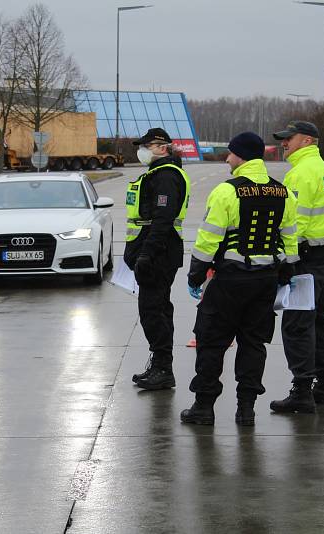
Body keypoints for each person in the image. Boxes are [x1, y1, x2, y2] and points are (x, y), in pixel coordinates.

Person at [181, 132, 298, 426]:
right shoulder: (282, 193)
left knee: (211, 342)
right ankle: (246, 410)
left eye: (231, 154)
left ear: (242, 156)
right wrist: (286, 272)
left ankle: (203, 407)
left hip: (230, 281)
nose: (227, 158)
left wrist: (195, 274)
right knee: (254, 345)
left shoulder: (227, 191)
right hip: (265, 281)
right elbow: (289, 239)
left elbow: (209, 239)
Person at [270, 121, 324, 414]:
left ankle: (302, 390)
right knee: (318, 322)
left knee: (297, 325)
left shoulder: (300, 174)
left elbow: (294, 222)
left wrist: (284, 259)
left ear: (306, 140)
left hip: (303, 259)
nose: (284, 143)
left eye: (289, 138)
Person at [126, 128, 191, 390]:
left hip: (160, 253)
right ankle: (160, 365)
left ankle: (163, 368)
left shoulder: (166, 176)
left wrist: (147, 253)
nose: (141, 151)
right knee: (157, 308)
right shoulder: (157, 173)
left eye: (146, 146)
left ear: (162, 147)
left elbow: (162, 219)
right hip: (155, 251)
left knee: (153, 311)